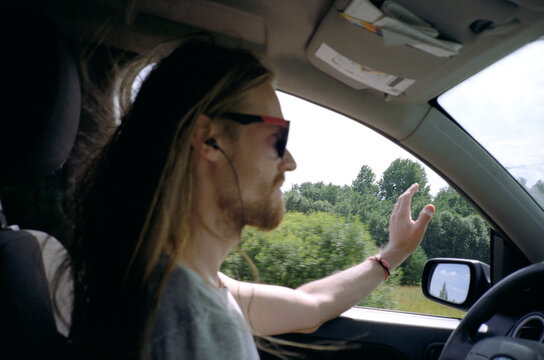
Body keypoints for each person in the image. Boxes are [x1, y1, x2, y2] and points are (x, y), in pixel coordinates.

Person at [66, 35, 435, 360]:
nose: (290, 162)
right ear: (210, 139)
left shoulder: (183, 283)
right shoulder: (190, 318)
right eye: (278, 138)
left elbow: (311, 307)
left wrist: (393, 255)